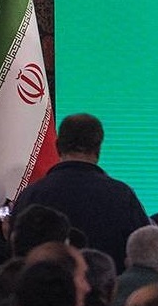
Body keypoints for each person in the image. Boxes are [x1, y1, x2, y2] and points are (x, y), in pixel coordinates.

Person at [13, 114, 150, 271]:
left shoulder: (31, 195)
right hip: (106, 285)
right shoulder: (122, 196)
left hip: (42, 286)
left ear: (57, 146)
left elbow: (16, 254)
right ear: (98, 148)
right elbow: (142, 253)